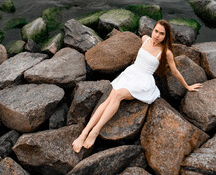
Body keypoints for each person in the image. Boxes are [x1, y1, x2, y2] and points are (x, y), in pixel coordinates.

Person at [72, 19, 202, 153]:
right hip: (131, 73)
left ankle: (95, 131)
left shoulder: (165, 52)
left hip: (143, 81)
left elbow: (174, 71)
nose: (157, 35)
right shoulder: (145, 39)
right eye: (156, 31)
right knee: (108, 100)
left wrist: (187, 86)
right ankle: (84, 133)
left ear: (166, 36)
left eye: (161, 33)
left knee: (117, 95)